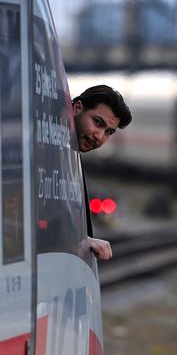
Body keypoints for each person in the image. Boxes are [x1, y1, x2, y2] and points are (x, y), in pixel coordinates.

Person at [72, 85, 131, 261]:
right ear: (77, 108)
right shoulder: (43, 149)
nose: (100, 137)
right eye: (98, 122)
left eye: (108, 132)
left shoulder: (69, 157)